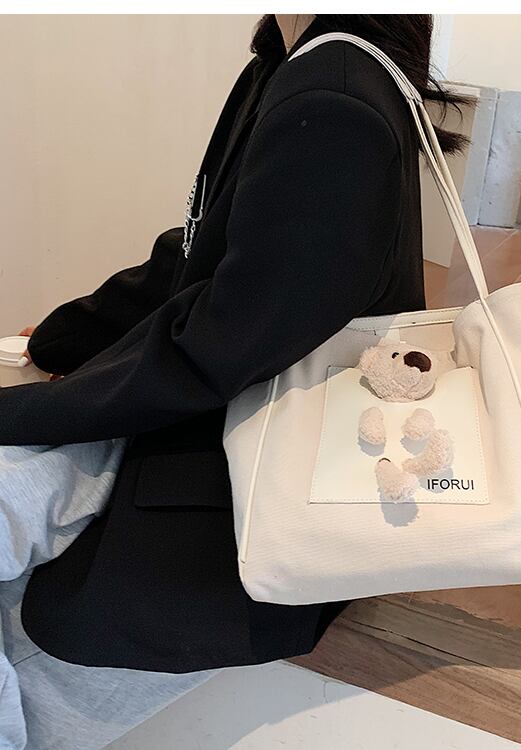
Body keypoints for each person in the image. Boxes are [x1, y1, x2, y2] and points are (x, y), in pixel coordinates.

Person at [0, 14, 467, 674]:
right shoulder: (288, 63)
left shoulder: (332, 98)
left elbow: (219, 347)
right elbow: (200, 251)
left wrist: (28, 410)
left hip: (244, 498)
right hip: (213, 431)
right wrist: (63, 339)